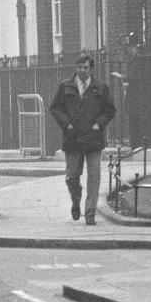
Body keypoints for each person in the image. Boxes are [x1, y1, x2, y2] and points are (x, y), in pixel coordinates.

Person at [49, 53, 115, 225]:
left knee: (94, 176)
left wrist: (98, 124)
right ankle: (76, 201)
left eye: (85, 68)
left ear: (91, 69)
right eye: (79, 67)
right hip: (72, 138)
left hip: (93, 138)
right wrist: (67, 125)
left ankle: (90, 212)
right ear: (75, 68)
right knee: (72, 176)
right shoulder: (66, 86)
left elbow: (109, 110)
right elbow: (55, 108)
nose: (82, 71)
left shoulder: (100, 87)